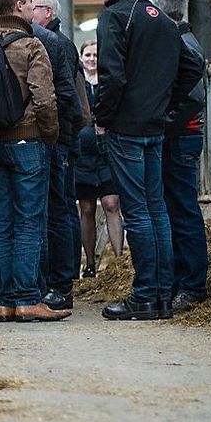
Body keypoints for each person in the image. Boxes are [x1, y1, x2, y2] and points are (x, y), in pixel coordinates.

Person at [93, 0, 203, 321]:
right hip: (155, 128)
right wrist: (164, 103)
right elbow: (193, 66)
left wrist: (102, 118)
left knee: (137, 211)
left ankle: (144, 295)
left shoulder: (115, 17)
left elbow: (112, 76)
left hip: (126, 127)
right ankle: (160, 295)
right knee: (156, 210)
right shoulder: (159, 18)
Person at [0, 0, 68, 322]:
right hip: (27, 142)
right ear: (17, 8)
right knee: (29, 223)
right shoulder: (31, 45)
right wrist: (49, 136)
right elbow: (44, 99)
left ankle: (2, 299)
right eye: (29, 2)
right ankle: (27, 298)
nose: (32, 6)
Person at [148, 0, 210, 313]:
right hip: (178, 137)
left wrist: (163, 125)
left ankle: (192, 286)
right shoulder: (180, 41)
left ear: (160, 12)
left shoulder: (184, 45)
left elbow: (194, 97)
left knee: (183, 212)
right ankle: (181, 282)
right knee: (176, 211)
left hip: (180, 138)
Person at [31, 0, 87, 310]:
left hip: (61, 139)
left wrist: (59, 135)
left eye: (33, 7)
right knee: (58, 210)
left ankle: (61, 284)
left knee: (60, 210)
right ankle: (57, 279)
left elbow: (68, 97)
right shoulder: (50, 42)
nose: (28, 13)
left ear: (47, 12)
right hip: (60, 137)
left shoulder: (58, 44)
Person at [74, 39, 125, 275]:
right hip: (83, 155)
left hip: (106, 153)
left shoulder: (107, 81)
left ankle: (117, 261)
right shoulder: (77, 83)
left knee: (111, 203)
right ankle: (90, 264)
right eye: (88, 55)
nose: (92, 59)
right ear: (82, 58)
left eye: (95, 55)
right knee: (86, 208)